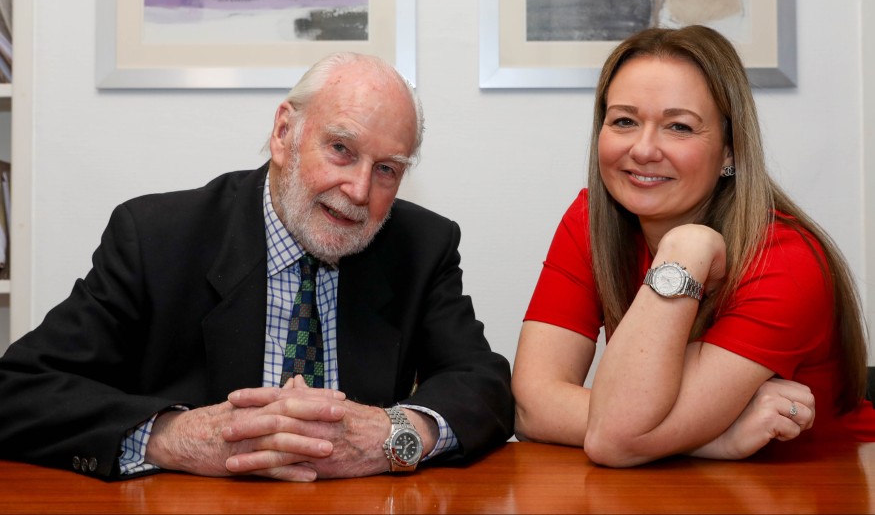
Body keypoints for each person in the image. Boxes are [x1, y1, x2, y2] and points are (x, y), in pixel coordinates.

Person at [0, 52, 514, 481]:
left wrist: (396, 435)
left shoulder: (421, 245)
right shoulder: (157, 238)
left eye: (386, 170)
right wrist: (172, 438)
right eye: (341, 149)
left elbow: (484, 385)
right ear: (284, 132)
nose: (359, 191)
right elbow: (18, 391)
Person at [512, 25, 875, 467]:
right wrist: (715, 438)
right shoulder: (591, 220)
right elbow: (531, 409)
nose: (644, 149)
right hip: (675, 480)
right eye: (624, 120)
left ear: (730, 151)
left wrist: (686, 248)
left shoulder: (785, 260)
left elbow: (616, 435)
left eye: (679, 126)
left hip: (826, 481)